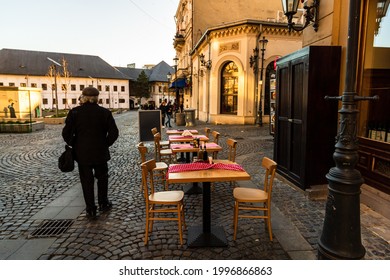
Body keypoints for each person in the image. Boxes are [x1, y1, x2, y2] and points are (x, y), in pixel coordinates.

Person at [62, 87, 119, 218]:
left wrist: (74, 144)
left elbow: (66, 132)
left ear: (83, 97)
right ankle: (103, 203)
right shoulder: (104, 112)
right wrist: (105, 143)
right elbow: (114, 133)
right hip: (100, 152)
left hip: (82, 153)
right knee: (102, 178)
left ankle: (90, 209)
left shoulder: (75, 112)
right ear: (96, 98)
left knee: (86, 181)